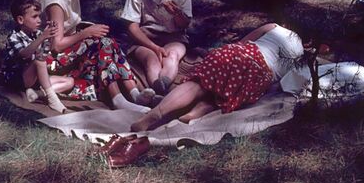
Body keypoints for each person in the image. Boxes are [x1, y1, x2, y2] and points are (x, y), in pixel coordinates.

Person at [131, 23, 306, 131]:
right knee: (223, 95)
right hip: (260, 75)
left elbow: (243, 42)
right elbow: (286, 82)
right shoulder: (301, 59)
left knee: (199, 83)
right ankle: (197, 111)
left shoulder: (274, 27)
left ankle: (157, 113)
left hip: (244, 54)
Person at [39, 0, 151, 113]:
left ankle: (134, 94)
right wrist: (86, 33)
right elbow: (56, 45)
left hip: (65, 44)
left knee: (107, 42)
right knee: (103, 44)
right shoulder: (57, 1)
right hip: (48, 55)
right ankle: (118, 99)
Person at [121, 0, 193, 96]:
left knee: (172, 56)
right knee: (151, 59)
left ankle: (163, 86)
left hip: (174, 36)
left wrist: (177, 13)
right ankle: (157, 90)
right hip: (145, 37)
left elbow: (184, 25)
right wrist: (154, 47)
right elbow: (131, 26)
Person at [0, 0, 74, 114]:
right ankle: (52, 99)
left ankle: (37, 94)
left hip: (33, 80)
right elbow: (24, 54)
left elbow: (43, 54)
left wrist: (49, 38)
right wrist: (42, 37)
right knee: (38, 62)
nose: (39, 20)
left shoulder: (37, 34)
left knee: (69, 82)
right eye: (34, 17)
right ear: (20, 20)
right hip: (17, 78)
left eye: (39, 16)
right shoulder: (14, 37)